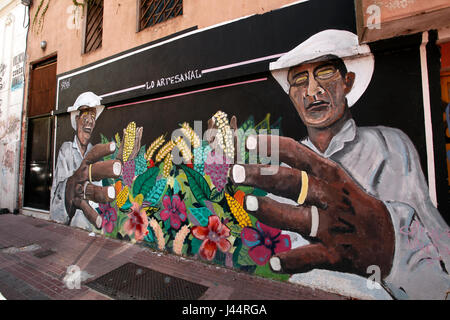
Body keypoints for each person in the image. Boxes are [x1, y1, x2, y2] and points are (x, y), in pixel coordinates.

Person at [228, 30, 450, 299]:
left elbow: (433, 232)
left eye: (324, 73)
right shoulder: (284, 173)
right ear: (291, 96)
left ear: (348, 81)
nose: (313, 91)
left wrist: (391, 248)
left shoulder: (390, 145)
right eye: (299, 80)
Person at [50, 92, 122, 231]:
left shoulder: (95, 153)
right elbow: (57, 194)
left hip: (89, 227)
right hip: (68, 228)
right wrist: (73, 187)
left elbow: (98, 195)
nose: (89, 120)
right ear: (76, 119)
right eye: (85, 115)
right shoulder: (66, 150)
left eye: (93, 116)